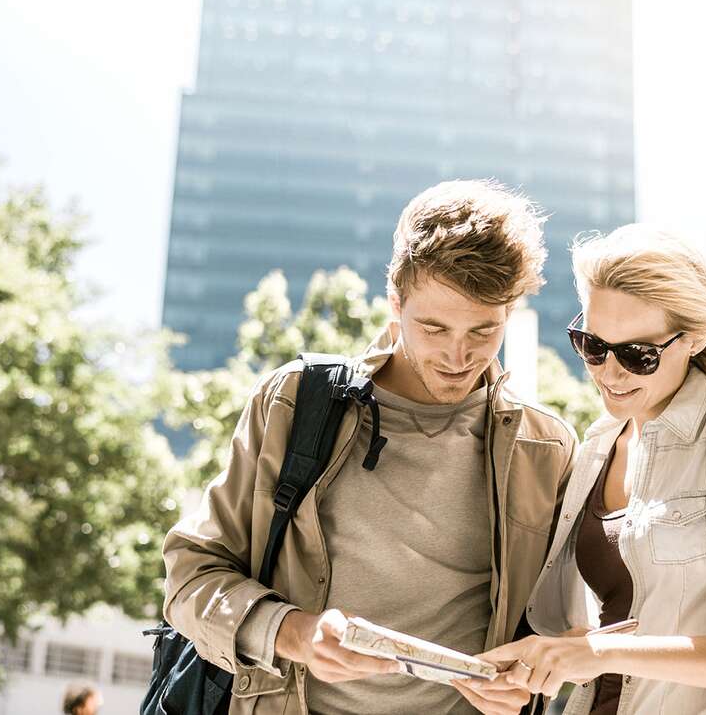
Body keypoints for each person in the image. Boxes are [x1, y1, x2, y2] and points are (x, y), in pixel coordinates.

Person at [161, 180, 578, 715]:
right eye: (433, 326)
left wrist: (529, 674)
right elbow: (190, 575)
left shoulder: (545, 448)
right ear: (395, 301)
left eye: (484, 330)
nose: (459, 354)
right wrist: (293, 632)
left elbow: (560, 629)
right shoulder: (296, 401)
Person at [479, 225, 706, 714]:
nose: (608, 374)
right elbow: (612, 627)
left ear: (695, 337)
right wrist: (530, 664)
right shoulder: (597, 446)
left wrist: (604, 652)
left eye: (637, 355)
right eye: (593, 346)